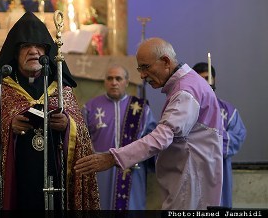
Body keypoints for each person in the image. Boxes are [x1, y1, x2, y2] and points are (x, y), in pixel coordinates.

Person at [0, 11, 100, 210]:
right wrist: (7, 126)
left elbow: (83, 137)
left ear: (47, 52)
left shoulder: (61, 90)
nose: (34, 51)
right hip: (14, 179)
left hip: (55, 177)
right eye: (26, 46)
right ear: (15, 53)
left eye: (39, 46)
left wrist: (68, 125)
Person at [74, 37, 223, 210]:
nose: (142, 75)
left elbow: (161, 137)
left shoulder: (185, 91)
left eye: (146, 67)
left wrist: (113, 157)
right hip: (187, 178)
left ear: (166, 61)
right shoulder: (186, 85)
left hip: (190, 182)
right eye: (140, 68)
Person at [82, 64, 157, 210]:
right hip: (101, 171)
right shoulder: (90, 107)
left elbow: (153, 140)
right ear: (104, 81)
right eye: (110, 78)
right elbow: (81, 138)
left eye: (118, 78)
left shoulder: (141, 108)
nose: (114, 82)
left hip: (133, 172)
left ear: (127, 82)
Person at [192, 62, 247, 208]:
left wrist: (207, 141)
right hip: (193, 171)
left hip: (219, 172)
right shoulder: (186, 110)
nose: (204, 82)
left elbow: (238, 136)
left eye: (207, 78)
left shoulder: (228, 110)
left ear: (214, 80)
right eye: (199, 79)